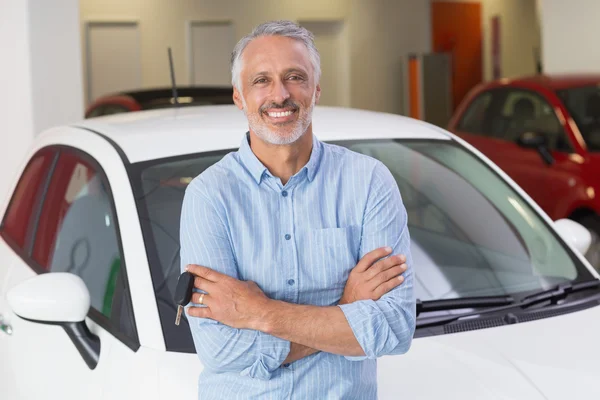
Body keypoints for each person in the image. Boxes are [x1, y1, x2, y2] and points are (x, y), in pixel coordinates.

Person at [180, 20, 416, 399]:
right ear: (239, 97)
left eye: (295, 77)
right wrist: (346, 310)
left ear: (316, 90)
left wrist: (259, 313)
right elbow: (220, 350)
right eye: (261, 80)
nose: (280, 94)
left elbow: (394, 327)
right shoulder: (209, 195)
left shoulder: (369, 182)